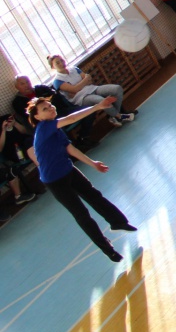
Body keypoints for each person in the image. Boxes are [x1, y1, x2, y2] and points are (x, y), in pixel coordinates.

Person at [26, 95, 137, 261]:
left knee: (94, 195)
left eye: (49, 105)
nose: (50, 109)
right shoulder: (44, 128)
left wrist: (93, 163)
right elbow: (71, 118)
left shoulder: (55, 128)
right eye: (44, 109)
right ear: (37, 117)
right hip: (55, 181)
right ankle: (108, 250)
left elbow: (70, 149)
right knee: (81, 214)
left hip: (69, 170)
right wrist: (97, 107)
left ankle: (118, 222)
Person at [48, 55, 134, 127]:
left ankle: (113, 116)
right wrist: (83, 82)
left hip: (92, 88)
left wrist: (79, 86)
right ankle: (119, 116)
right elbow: (75, 90)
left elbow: (89, 79)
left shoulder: (73, 68)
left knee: (117, 89)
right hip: (81, 98)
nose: (61, 63)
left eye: (62, 60)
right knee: (101, 100)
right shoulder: (57, 81)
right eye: (57, 63)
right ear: (53, 67)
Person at [1, 114, 40, 211]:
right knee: (11, 170)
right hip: (15, 153)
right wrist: (3, 130)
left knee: (31, 141)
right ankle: (44, 169)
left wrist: (15, 124)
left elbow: (25, 131)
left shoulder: (9, 119)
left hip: (26, 145)